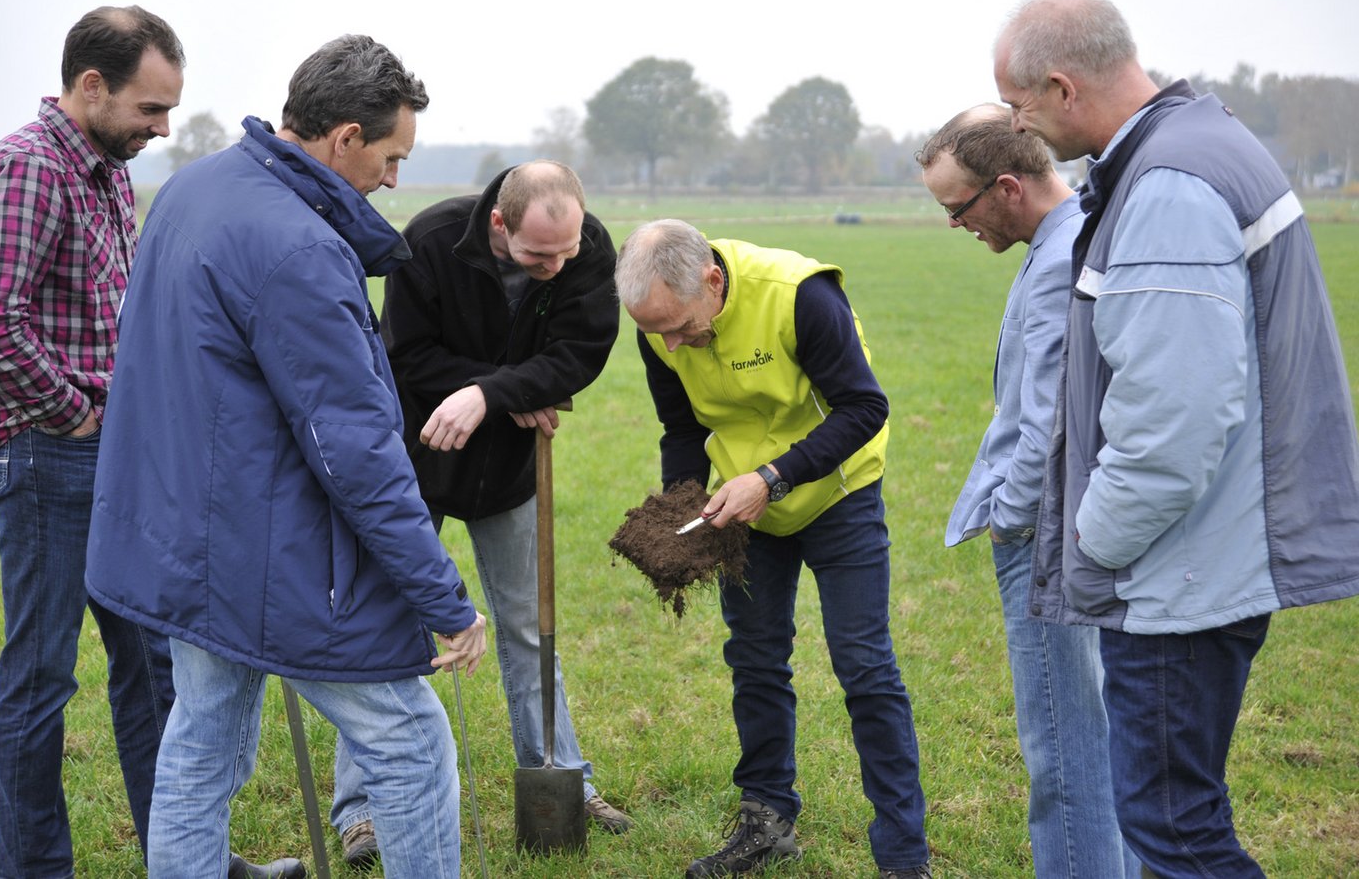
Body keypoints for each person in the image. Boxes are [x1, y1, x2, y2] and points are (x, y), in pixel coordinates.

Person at [83, 34, 488, 878]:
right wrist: (444, 600)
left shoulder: (194, 187)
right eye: (390, 157)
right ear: (345, 137)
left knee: (200, 744)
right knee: (411, 740)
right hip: (266, 552)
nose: (394, 179)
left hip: (183, 534)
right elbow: (357, 452)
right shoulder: (300, 251)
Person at [995, 0, 1359, 876]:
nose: (1017, 126)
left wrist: (1094, 542)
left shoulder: (1167, 188)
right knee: (1176, 815)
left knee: (1173, 827)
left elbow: (1173, 421)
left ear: (1062, 86)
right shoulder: (1196, 146)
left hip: (1180, 572)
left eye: (1018, 104)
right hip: (1202, 554)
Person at [329, 160, 627, 864]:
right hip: (416, 462)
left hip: (511, 469)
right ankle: (362, 809)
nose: (557, 267)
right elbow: (404, 357)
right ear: (499, 223)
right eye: (539, 255)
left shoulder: (585, 246)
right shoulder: (429, 241)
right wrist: (500, 390)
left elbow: (580, 355)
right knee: (386, 623)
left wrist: (493, 395)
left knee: (527, 625)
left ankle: (566, 778)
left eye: (567, 251)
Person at [615, 219, 931, 879]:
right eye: (654, 332)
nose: (670, 344)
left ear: (713, 281)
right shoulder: (661, 326)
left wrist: (772, 478)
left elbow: (864, 408)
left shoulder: (799, 295)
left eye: (678, 326)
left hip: (838, 492)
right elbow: (682, 425)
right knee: (755, 660)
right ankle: (767, 824)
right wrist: (682, 508)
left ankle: (903, 856)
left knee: (865, 667)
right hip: (745, 506)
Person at [918, 104, 1136, 877]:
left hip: (1048, 533)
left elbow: (1047, 420)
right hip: (1085, 522)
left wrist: (1012, 522)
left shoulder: (1056, 264)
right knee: (1104, 736)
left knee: (1065, 752)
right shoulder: (1080, 237)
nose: (954, 224)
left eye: (958, 207)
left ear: (1007, 188)